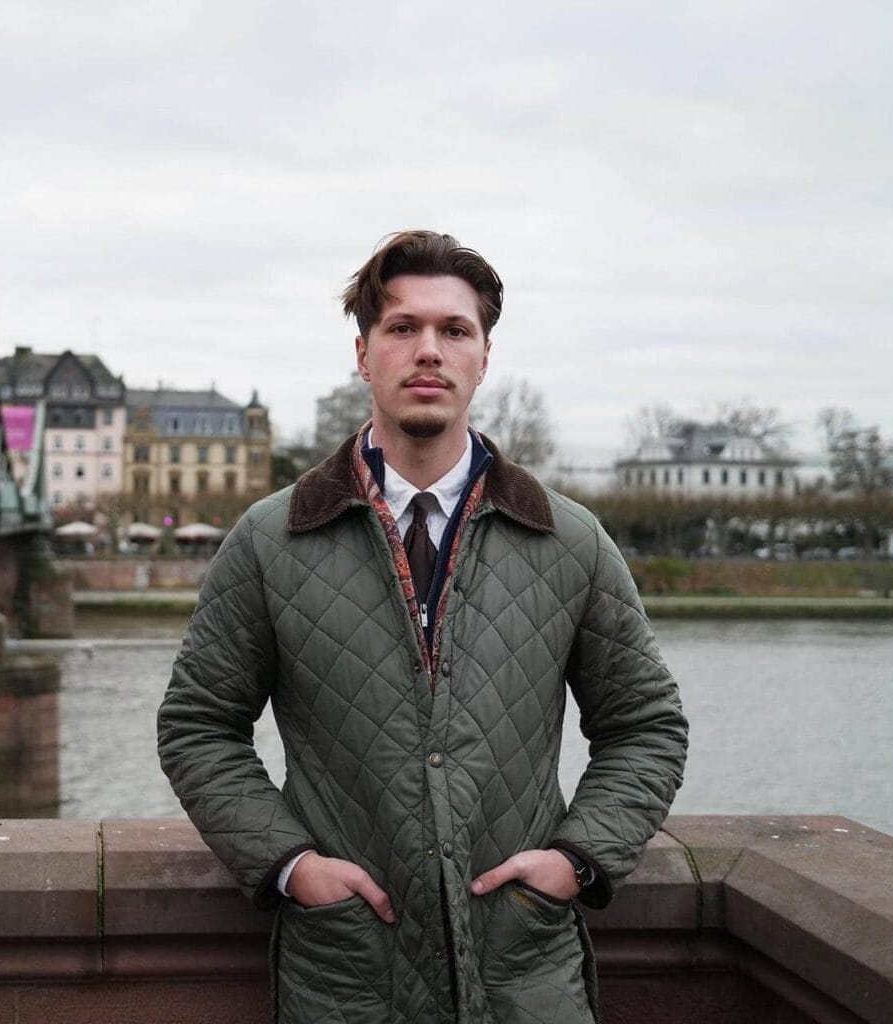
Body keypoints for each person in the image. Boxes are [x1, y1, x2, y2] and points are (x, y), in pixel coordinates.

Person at [157, 230, 688, 1024]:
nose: (428, 351)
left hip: (525, 972)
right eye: (403, 329)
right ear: (363, 354)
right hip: (346, 977)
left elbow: (646, 726)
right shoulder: (271, 541)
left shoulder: (570, 541)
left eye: (455, 330)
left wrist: (576, 861)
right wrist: (290, 864)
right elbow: (199, 726)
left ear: (484, 356)